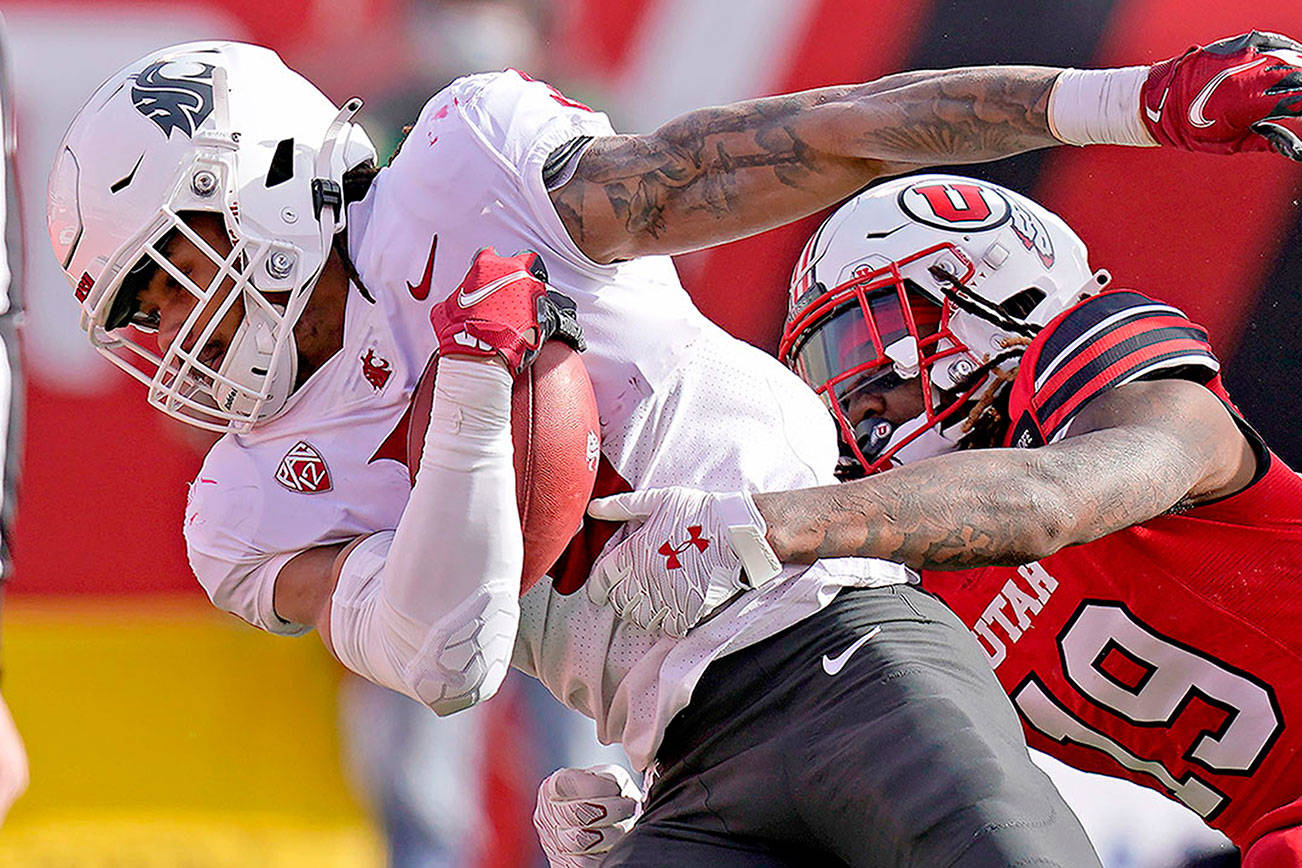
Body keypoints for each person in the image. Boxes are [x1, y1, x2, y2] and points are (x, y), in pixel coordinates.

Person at [46, 32, 1301, 865]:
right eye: (137, 315)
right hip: (679, 754)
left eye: (167, 274)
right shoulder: (240, 508)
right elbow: (442, 652)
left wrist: (1118, 102)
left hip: (838, 636)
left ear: (260, 182)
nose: (166, 330)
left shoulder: (466, 172)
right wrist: (477, 388)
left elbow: (833, 130)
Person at [572, 173, 1302, 866]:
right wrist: (683, 820)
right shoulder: (907, 560)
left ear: (993, 295)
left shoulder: (1107, 372)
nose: (853, 399)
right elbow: (865, 765)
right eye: (829, 372)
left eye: (867, 344)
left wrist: (764, 524)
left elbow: (1047, 500)